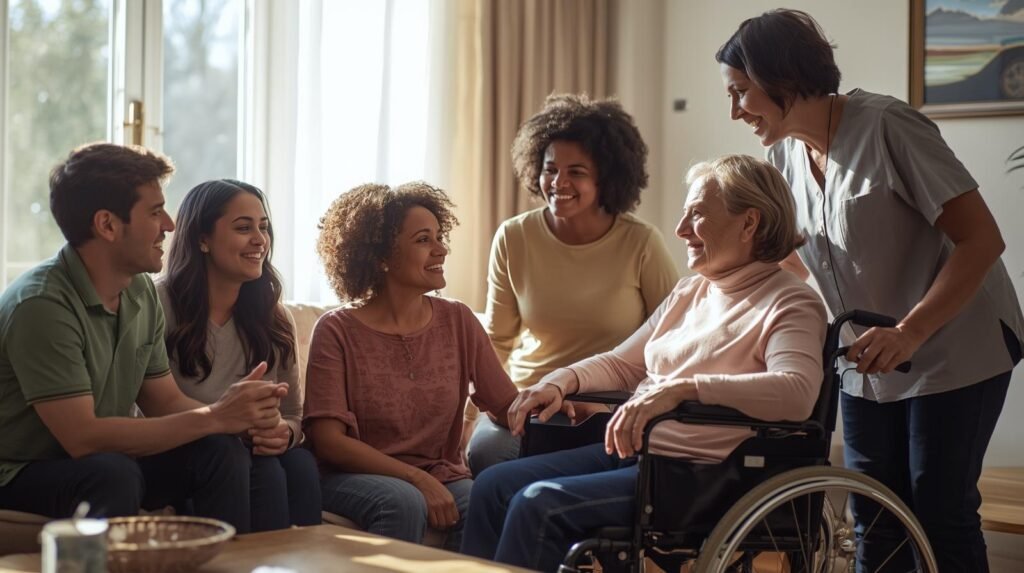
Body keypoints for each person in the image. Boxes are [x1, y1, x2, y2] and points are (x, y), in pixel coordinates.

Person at [717, 9, 1024, 572]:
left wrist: (910, 332)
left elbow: (981, 239)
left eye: (741, 93)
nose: (734, 111)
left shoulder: (888, 125)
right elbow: (786, 257)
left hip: (958, 348)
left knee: (940, 514)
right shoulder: (783, 156)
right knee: (872, 521)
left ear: (781, 75)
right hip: (863, 361)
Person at [460, 155, 828, 571]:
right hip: (637, 455)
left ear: (750, 223)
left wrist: (680, 390)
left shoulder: (790, 301)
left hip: (698, 477)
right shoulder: (691, 292)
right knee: (493, 486)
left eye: (697, 215)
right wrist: (561, 382)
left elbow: (796, 391)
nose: (680, 229)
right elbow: (623, 365)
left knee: (537, 505)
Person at [0, 143, 288, 532]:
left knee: (220, 450)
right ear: (107, 225)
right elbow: (83, 438)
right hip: (21, 470)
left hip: (104, 460)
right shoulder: (41, 304)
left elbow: (164, 401)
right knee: (112, 472)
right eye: (155, 212)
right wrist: (215, 416)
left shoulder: (139, 292)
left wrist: (235, 419)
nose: (170, 225)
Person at [303, 182, 519, 551]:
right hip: (352, 475)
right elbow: (328, 441)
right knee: (400, 500)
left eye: (439, 236)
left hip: (440, 473)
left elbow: (506, 405)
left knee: (484, 499)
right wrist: (417, 480)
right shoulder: (337, 330)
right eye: (424, 239)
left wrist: (563, 401)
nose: (441, 249)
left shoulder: (458, 320)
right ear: (382, 256)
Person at [470, 93, 679, 474]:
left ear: (607, 177)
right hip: (529, 397)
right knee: (485, 455)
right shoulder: (514, 237)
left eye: (576, 172)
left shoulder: (641, 243)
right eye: (550, 169)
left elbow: (672, 341)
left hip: (607, 404)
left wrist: (614, 403)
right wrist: (497, 405)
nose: (558, 182)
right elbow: (496, 340)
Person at [158, 179, 321, 532]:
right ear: (202, 239)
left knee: (300, 465)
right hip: (181, 453)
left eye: (263, 227)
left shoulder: (274, 317)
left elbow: (293, 414)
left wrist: (283, 434)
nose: (260, 240)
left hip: (248, 451)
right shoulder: (159, 305)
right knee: (251, 462)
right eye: (243, 228)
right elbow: (152, 408)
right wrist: (228, 421)